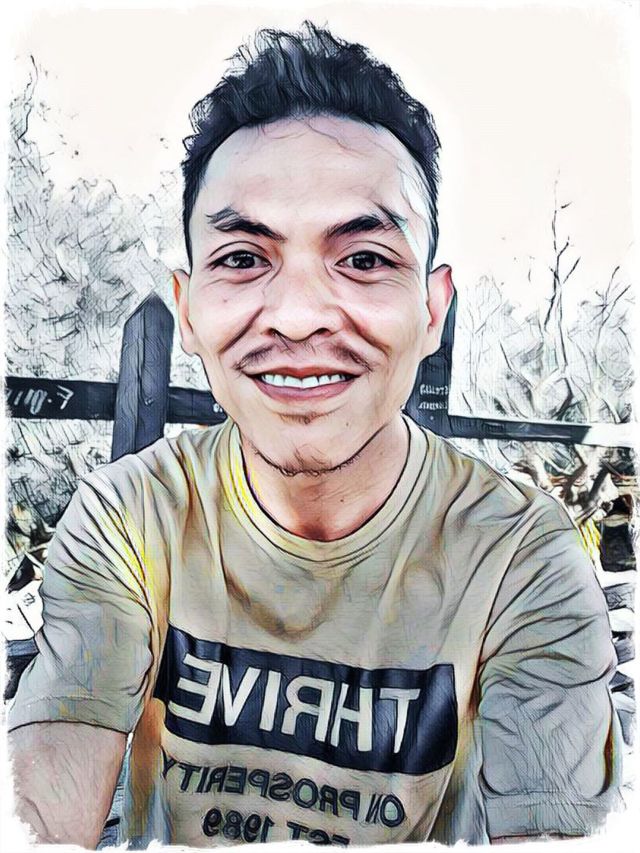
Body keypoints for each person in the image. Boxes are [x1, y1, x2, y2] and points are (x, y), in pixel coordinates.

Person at [8, 22, 622, 848]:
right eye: (241, 258)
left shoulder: (521, 559)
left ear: (432, 309)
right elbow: (41, 805)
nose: (298, 317)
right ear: (186, 310)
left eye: (364, 259)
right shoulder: (131, 518)